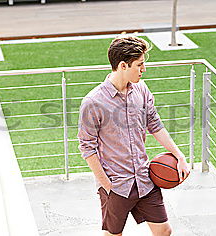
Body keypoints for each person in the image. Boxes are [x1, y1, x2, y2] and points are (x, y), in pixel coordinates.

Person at [77, 36, 190, 236]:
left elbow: (154, 124)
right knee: (114, 235)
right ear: (122, 65)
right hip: (116, 184)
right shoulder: (93, 102)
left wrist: (179, 156)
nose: (143, 69)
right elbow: (87, 147)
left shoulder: (142, 89)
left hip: (145, 179)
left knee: (164, 231)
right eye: (139, 64)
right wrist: (106, 185)